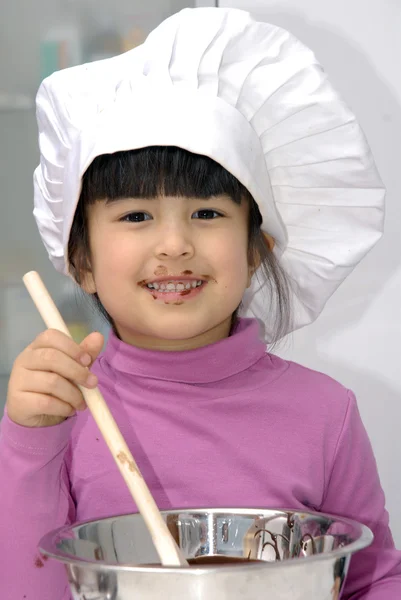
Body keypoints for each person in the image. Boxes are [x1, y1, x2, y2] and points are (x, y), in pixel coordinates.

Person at [0, 7, 400, 599]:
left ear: (256, 247)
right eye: (135, 216)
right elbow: (22, 586)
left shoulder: (326, 415)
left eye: (207, 213)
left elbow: (375, 580)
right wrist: (30, 442)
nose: (174, 245)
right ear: (80, 260)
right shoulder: (58, 415)